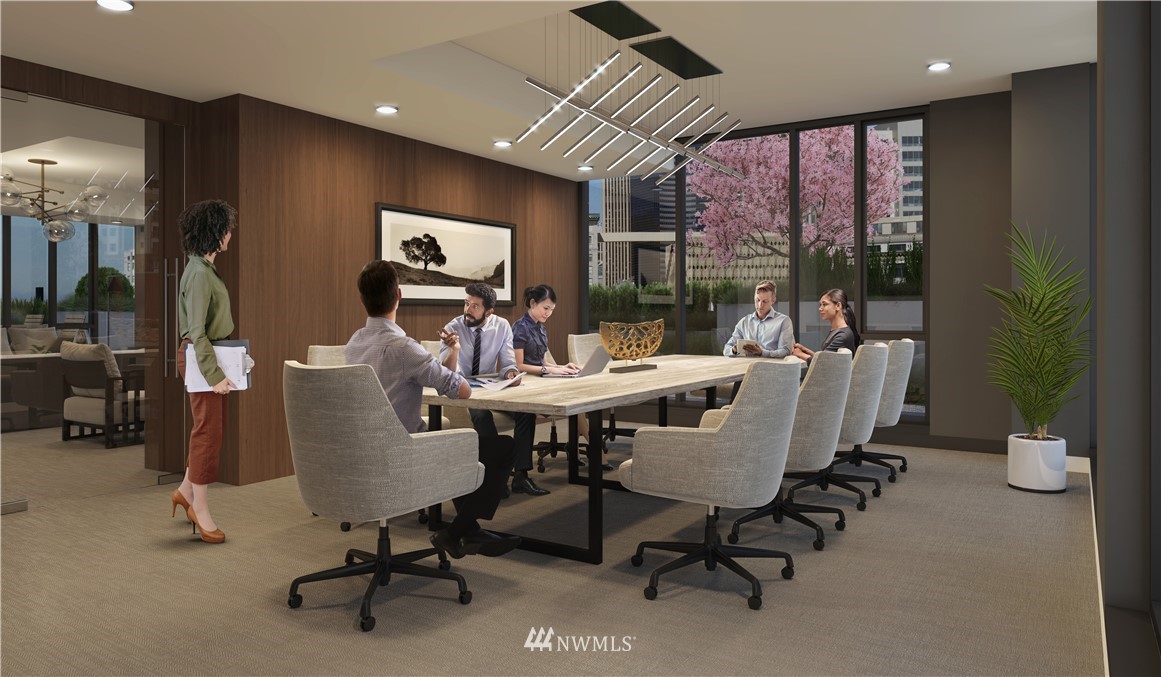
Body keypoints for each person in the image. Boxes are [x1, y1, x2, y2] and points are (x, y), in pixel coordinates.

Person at [345, 261, 520, 559]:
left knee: (457, 446)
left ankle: (468, 530)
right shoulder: (405, 348)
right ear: (399, 295)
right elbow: (461, 389)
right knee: (501, 447)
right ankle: (456, 532)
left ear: (362, 299)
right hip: (404, 454)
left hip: (363, 452)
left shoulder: (353, 345)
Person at [171, 199, 238, 544]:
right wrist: (215, 375)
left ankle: (185, 490)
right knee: (208, 433)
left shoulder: (203, 269)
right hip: (201, 360)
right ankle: (200, 505)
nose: (229, 234)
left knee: (208, 428)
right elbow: (197, 332)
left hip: (208, 356)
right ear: (214, 231)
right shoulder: (198, 273)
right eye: (226, 228)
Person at [438, 283, 544, 497]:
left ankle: (521, 476)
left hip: (489, 388)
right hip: (463, 393)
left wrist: (511, 374)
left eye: (475, 306)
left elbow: (507, 363)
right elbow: (447, 373)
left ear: (489, 311)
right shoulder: (453, 328)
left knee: (526, 412)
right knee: (481, 414)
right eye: (466, 303)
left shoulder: (501, 326)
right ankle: (496, 476)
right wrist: (453, 351)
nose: (468, 309)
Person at [512, 284, 613, 472]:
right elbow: (519, 366)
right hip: (528, 384)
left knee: (579, 403)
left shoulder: (540, 329)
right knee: (577, 406)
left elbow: (542, 361)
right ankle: (596, 453)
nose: (548, 313)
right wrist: (548, 371)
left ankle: (585, 451)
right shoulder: (520, 328)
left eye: (551, 310)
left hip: (543, 379)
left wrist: (561, 367)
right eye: (546, 308)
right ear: (533, 303)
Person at [723, 280, 795, 358]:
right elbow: (726, 349)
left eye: (765, 301)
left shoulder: (784, 321)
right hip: (746, 368)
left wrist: (762, 353)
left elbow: (785, 351)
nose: (760, 305)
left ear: (773, 300)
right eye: (757, 300)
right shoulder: (744, 322)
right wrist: (734, 350)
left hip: (771, 368)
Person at [792, 288, 861, 363]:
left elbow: (822, 363)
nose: (820, 308)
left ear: (838, 306)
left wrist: (799, 354)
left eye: (824, 304)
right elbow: (824, 357)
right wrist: (804, 349)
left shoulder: (842, 336)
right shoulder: (839, 331)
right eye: (820, 305)